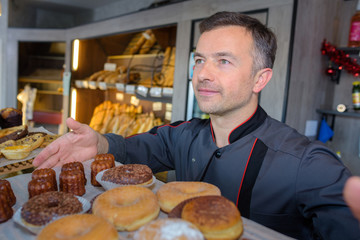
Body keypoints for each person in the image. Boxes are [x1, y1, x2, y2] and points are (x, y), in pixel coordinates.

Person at [33, 12, 360, 239]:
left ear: (260, 78)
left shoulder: (308, 163)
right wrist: (99, 143)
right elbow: (132, 148)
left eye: (224, 60)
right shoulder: (183, 134)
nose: (202, 73)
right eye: (200, 59)